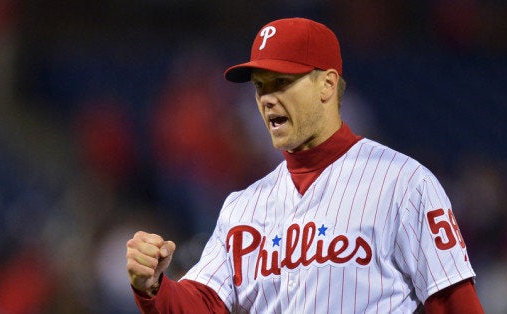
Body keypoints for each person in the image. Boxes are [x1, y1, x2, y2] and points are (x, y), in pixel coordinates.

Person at [126, 17, 484, 313]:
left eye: (282, 82)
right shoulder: (242, 207)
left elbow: (456, 304)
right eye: (260, 87)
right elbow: (202, 303)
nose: (267, 99)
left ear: (327, 84)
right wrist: (153, 286)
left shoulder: (404, 184)